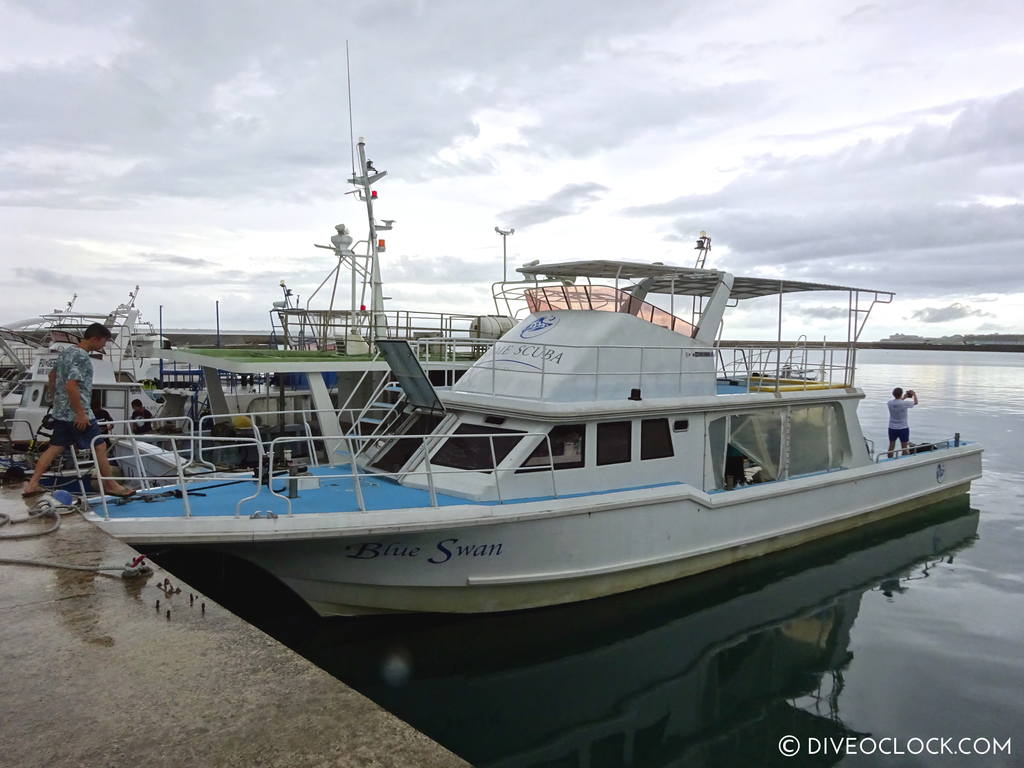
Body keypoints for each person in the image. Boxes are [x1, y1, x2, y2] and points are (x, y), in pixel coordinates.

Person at [22, 324, 135, 498]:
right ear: (96, 338)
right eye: (103, 342)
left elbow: (52, 376)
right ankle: (111, 485)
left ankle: (32, 484)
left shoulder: (67, 353)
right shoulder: (81, 356)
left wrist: (55, 398)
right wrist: (81, 413)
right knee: (100, 445)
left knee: (55, 447)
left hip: (61, 412)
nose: (103, 347)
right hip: (77, 413)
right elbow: (71, 385)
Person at [886, 386, 919, 457]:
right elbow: (916, 402)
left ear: (893, 394)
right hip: (903, 428)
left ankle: (888, 461)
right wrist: (914, 394)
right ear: (901, 394)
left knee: (891, 446)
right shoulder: (904, 403)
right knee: (904, 447)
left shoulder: (889, 403)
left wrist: (904, 397)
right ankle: (904, 461)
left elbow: (898, 402)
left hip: (892, 428)